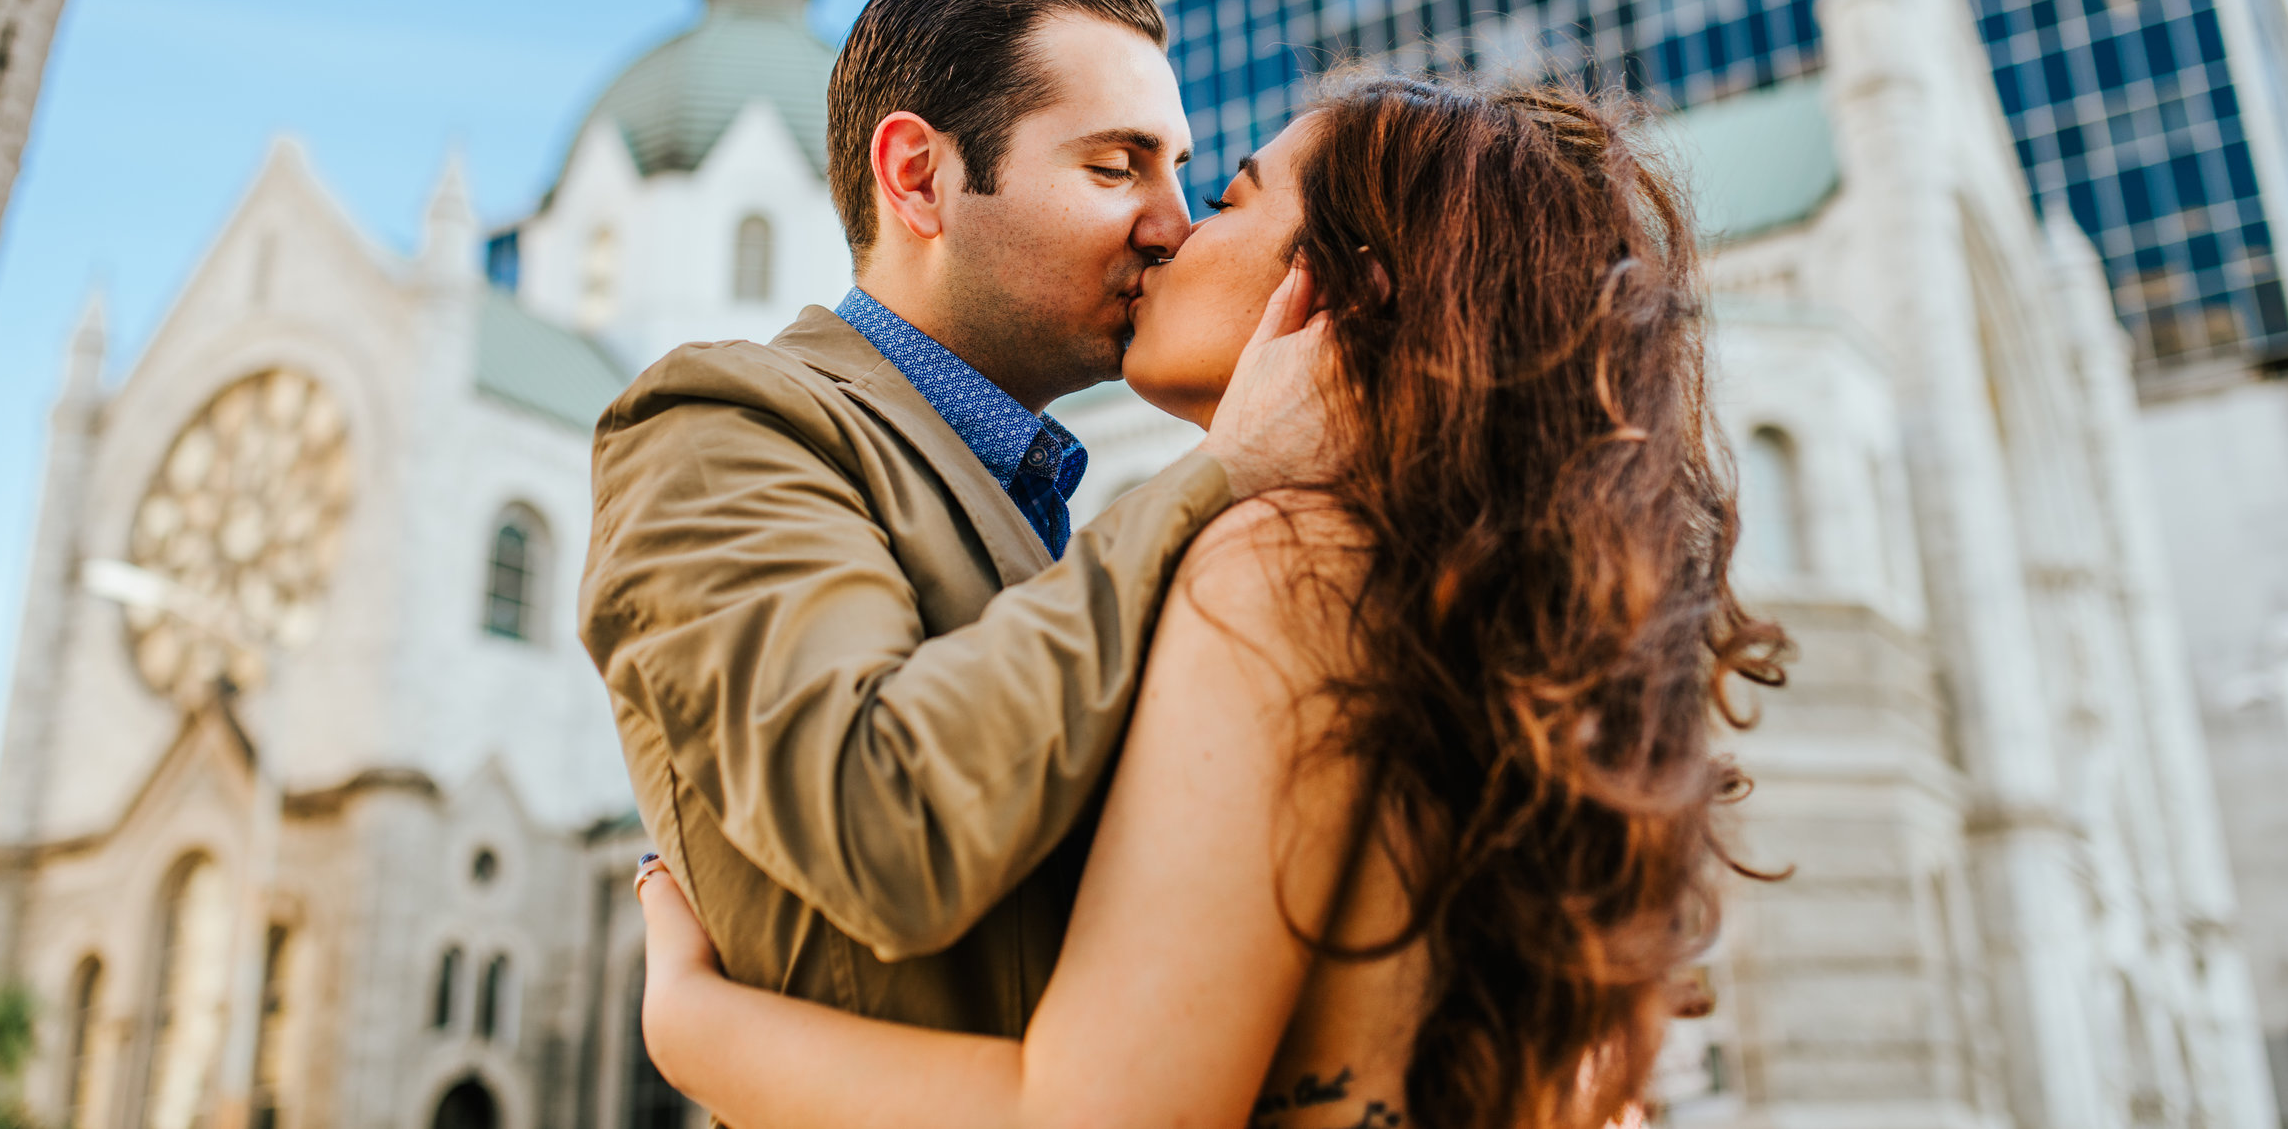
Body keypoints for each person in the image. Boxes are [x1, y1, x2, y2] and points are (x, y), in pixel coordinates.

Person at [634, 72, 1790, 1129]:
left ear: (1339, 288)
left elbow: (1093, 1116)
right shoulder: (1447, 591)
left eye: (1228, 201)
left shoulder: (1282, 561)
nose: (1174, 231)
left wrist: (692, 1024)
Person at [580, 0, 1336, 1039]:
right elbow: (878, 823)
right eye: (1119, 167)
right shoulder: (721, 421)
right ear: (919, 177)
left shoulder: (1038, 496)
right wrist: (1226, 470)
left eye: (1181, 173)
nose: (1172, 226)